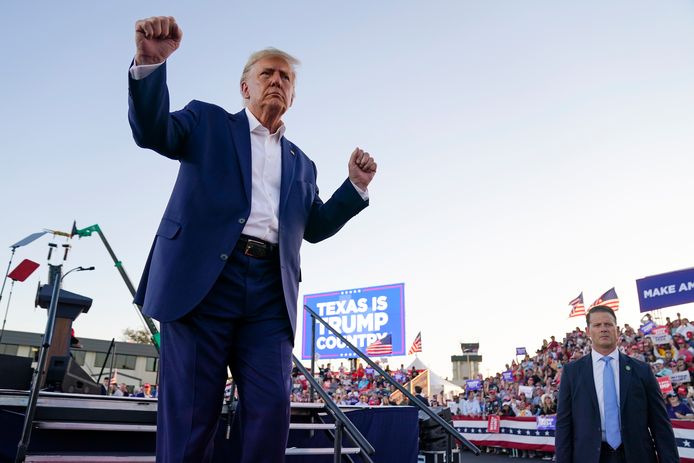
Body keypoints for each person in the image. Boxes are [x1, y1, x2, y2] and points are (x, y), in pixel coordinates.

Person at [128, 16, 376, 463]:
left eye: (285, 77)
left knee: (271, 412)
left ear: (293, 95)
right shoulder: (207, 122)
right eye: (267, 73)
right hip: (202, 285)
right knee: (190, 419)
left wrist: (353, 188)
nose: (277, 81)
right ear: (245, 88)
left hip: (268, 294)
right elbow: (152, 132)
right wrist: (149, 65)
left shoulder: (303, 164)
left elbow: (313, 228)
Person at [555, 305, 678, 463]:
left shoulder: (642, 370)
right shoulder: (572, 372)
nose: (603, 329)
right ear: (588, 331)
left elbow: (660, 423)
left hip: (637, 455)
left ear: (617, 329)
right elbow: (564, 424)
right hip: (590, 456)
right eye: (597, 325)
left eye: (608, 324)